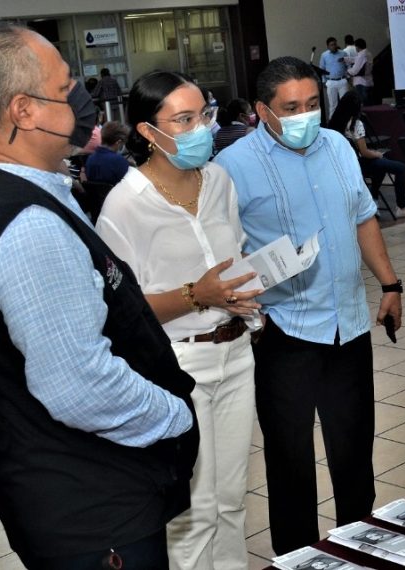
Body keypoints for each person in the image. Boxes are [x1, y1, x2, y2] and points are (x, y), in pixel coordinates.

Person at [0, 22, 198, 568]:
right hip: (90, 499)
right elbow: (78, 386)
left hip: (49, 473)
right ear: (23, 110)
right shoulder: (28, 223)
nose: (80, 98)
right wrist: (175, 414)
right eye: (63, 89)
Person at [214, 55, 403, 556]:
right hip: (283, 331)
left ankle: (360, 549)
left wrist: (390, 284)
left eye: (313, 104)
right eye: (290, 107)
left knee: (354, 453)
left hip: (348, 323)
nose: (304, 115)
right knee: (290, 461)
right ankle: (299, 560)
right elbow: (220, 253)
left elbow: (364, 218)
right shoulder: (231, 168)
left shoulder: (339, 146)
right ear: (262, 111)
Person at [95, 70, 261, 570]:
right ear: (149, 132)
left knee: (232, 498)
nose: (202, 130)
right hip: (177, 365)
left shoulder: (219, 182)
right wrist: (197, 295)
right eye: (183, 120)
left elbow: (232, 257)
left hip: (236, 353)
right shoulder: (125, 206)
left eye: (204, 115)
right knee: (195, 510)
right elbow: (123, 311)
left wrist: (241, 295)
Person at [328, 91, 405, 218]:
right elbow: (364, 152)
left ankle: (373, 198)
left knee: (380, 166)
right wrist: (377, 154)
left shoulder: (333, 122)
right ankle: (402, 207)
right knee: (400, 167)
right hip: (358, 165)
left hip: (343, 166)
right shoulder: (356, 124)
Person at [83, 120, 130, 186]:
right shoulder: (119, 161)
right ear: (118, 142)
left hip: (94, 195)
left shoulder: (90, 158)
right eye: (123, 142)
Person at [319, 37, 350, 118]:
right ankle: (333, 125)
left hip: (342, 80)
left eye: (335, 44)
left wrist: (348, 77)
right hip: (331, 81)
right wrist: (324, 81)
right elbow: (321, 69)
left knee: (345, 103)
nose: (334, 46)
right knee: (333, 104)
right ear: (328, 46)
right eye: (331, 45)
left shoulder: (343, 53)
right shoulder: (324, 55)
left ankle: (346, 122)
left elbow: (348, 65)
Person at [346, 38, 374, 105]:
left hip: (361, 82)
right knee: (369, 102)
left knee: (362, 103)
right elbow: (356, 59)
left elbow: (355, 70)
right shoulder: (368, 53)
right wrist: (345, 59)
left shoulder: (361, 55)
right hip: (368, 80)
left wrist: (348, 72)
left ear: (357, 47)